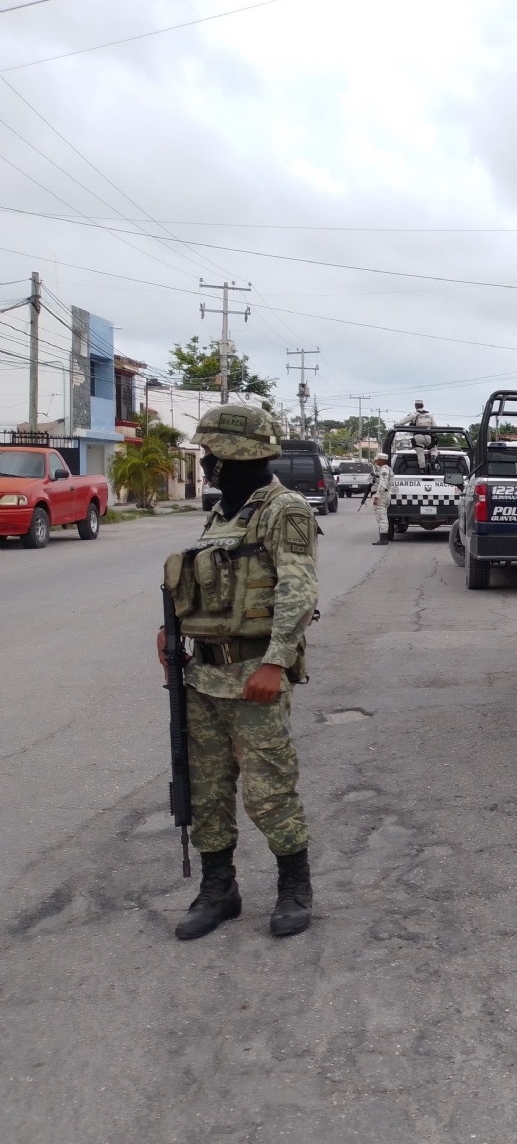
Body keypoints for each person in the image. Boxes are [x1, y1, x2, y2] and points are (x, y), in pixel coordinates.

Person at [156, 403, 318, 941]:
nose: (205, 464)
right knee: (206, 791)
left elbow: (298, 589)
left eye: (210, 454)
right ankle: (218, 890)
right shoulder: (222, 513)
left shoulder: (283, 508)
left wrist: (275, 661)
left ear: (232, 456)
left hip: (253, 675)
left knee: (269, 792)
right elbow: (209, 585)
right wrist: (174, 629)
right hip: (201, 677)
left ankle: (294, 889)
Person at [363, 452, 394, 544]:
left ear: (382, 460)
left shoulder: (384, 470)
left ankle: (383, 539)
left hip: (382, 495)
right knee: (381, 516)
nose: (376, 460)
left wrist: (377, 497)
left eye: (377, 459)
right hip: (384, 495)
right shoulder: (383, 469)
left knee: (381, 517)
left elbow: (382, 485)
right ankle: (383, 538)